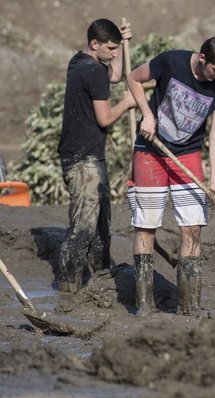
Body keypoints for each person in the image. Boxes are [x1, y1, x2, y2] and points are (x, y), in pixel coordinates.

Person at [126, 37, 215, 316]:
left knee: (193, 226)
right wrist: (147, 115)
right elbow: (133, 78)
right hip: (150, 150)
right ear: (201, 58)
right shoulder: (171, 61)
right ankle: (143, 303)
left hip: (187, 153)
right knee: (146, 224)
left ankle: (189, 305)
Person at [57, 19, 136, 293]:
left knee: (102, 227)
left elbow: (113, 75)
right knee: (84, 228)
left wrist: (124, 45)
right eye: (111, 48)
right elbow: (104, 118)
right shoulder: (93, 72)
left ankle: (99, 281)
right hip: (83, 161)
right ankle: (68, 288)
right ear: (95, 44)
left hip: (86, 155)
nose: (115, 54)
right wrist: (126, 103)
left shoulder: (79, 62)